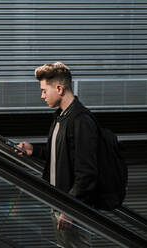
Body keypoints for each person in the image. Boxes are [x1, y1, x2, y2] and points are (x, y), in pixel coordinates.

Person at [17, 62, 98, 248]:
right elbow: (60, 156)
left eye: (45, 90)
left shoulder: (81, 120)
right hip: (60, 204)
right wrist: (33, 151)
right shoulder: (61, 117)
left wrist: (70, 209)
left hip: (72, 209)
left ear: (59, 88)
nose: (42, 95)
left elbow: (87, 172)